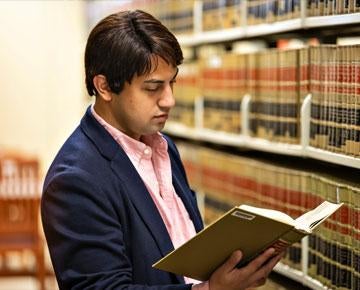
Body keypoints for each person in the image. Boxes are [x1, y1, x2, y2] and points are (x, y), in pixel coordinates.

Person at [41, 9, 283, 290]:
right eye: (153, 87)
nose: (169, 100)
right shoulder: (76, 179)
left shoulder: (163, 146)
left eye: (172, 83)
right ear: (104, 86)